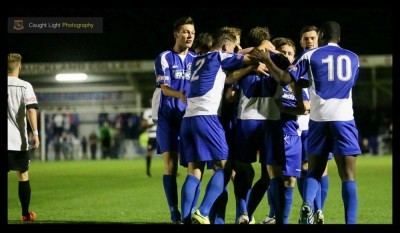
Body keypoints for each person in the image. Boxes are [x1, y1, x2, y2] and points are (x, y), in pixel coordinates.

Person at [261, 21, 361, 224]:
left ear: (321, 35)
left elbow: (284, 79)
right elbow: (348, 83)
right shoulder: (353, 58)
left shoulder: (310, 55)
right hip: (344, 118)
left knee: (314, 170)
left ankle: (307, 203)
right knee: (348, 176)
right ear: (339, 38)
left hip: (319, 119)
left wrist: (267, 61)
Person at [179, 27, 264, 224]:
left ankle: (184, 220)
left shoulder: (196, 60)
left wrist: (247, 66)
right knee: (225, 168)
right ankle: (203, 212)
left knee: (194, 171)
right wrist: (254, 58)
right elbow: (253, 57)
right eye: (233, 48)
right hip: (207, 118)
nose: (235, 51)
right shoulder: (220, 56)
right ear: (226, 46)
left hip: (188, 119)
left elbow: (227, 78)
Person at [154, 16, 196, 224]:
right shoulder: (164, 58)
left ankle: (191, 211)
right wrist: (179, 95)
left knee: (193, 165)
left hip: (190, 119)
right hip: (169, 117)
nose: (190, 36)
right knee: (170, 164)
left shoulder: (196, 59)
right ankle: (174, 211)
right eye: (186, 32)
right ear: (176, 34)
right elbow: (164, 88)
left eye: (192, 33)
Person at [296, 25, 330, 224]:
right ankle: (309, 208)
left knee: (322, 168)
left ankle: (318, 211)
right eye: (305, 38)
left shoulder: (324, 60)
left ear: (318, 40)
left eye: (312, 38)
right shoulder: (299, 61)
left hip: (319, 121)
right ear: (301, 41)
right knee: (304, 168)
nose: (309, 41)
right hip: (300, 124)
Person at [8, 53, 40, 222]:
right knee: (23, 175)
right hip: (17, 142)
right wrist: (35, 134)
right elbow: (31, 109)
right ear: (19, 67)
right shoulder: (25, 86)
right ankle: (25, 214)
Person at [141, 108, 157, 177]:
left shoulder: (160, 108)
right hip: (151, 135)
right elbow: (143, 124)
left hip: (161, 134)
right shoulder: (147, 111)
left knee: (168, 153)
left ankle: (172, 172)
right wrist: (152, 124)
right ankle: (148, 172)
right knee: (149, 153)